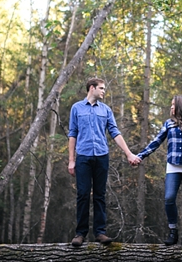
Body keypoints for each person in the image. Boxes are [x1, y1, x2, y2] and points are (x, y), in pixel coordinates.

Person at [68, 77, 140, 247]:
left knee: (100, 195)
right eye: (101, 88)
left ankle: (100, 232)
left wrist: (129, 154)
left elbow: (115, 132)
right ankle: (80, 233)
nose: (103, 91)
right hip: (83, 156)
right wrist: (71, 160)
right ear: (91, 88)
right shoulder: (76, 108)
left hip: (101, 156)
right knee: (83, 194)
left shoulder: (106, 110)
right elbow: (73, 134)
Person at [134, 95, 182, 247]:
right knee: (169, 198)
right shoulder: (169, 124)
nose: (171, 108)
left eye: (173, 105)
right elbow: (156, 141)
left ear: (181, 106)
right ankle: (173, 231)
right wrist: (141, 155)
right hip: (173, 165)